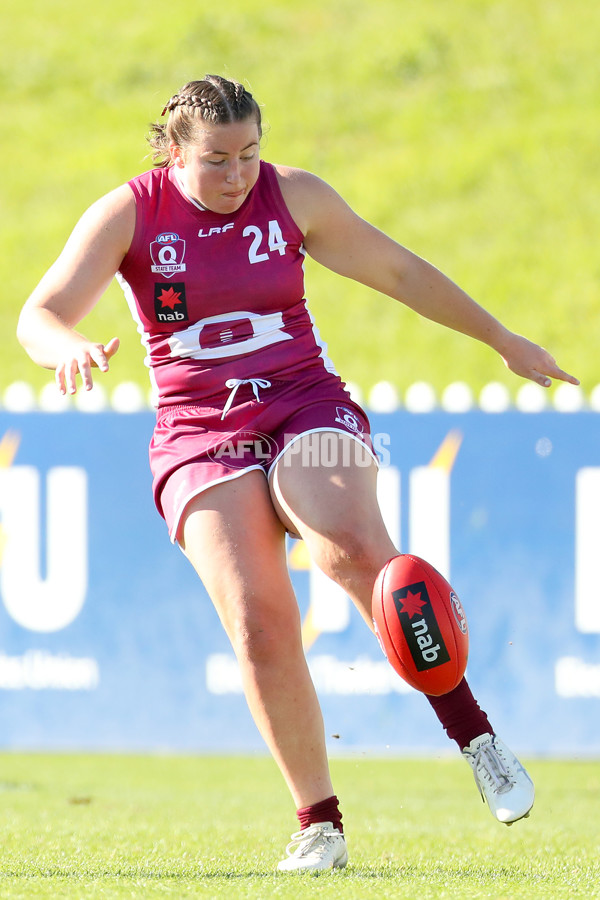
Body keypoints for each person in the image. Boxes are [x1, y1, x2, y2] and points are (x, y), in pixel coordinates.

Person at [17, 75, 578, 874]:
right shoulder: (131, 213)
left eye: (250, 153)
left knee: (354, 548)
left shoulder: (294, 199)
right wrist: (66, 347)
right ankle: (320, 824)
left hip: (302, 404)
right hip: (198, 431)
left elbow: (400, 273)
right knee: (257, 621)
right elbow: (37, 314)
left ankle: (475, 734)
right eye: (216, 160)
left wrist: (500, 337)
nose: (238, 174)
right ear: (174, 151)